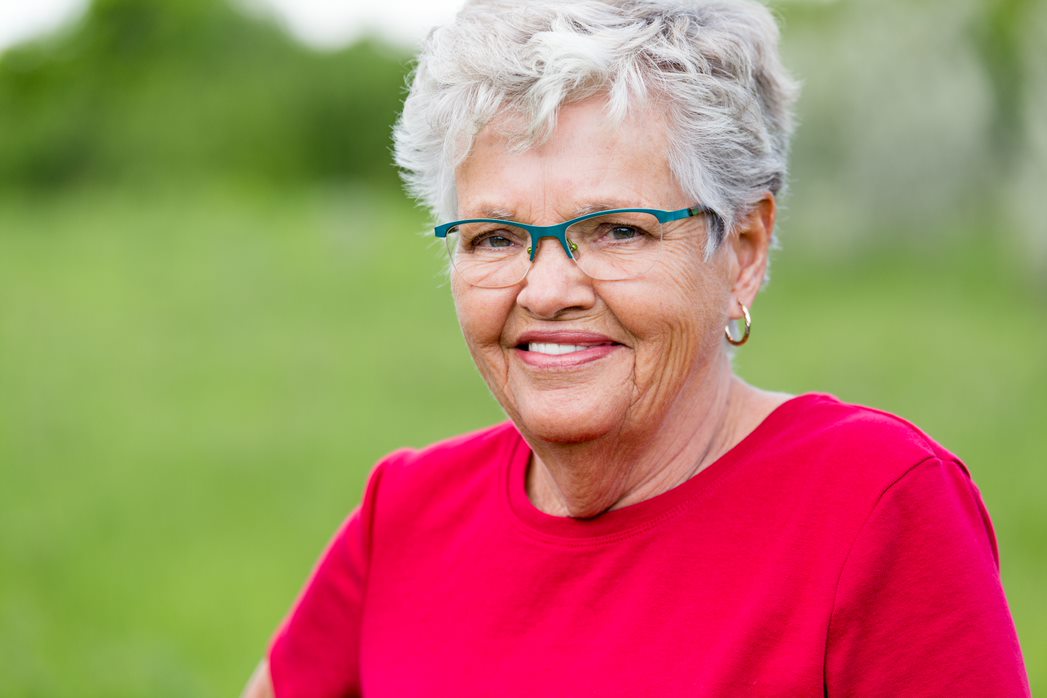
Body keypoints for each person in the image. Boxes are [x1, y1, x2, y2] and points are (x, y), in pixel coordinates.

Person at [243, 0, 1030, 695]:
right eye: (495, 236)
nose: (545, 290)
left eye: (616, 230)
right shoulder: (407, 515)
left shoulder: (873, 505)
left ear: (745, 248)